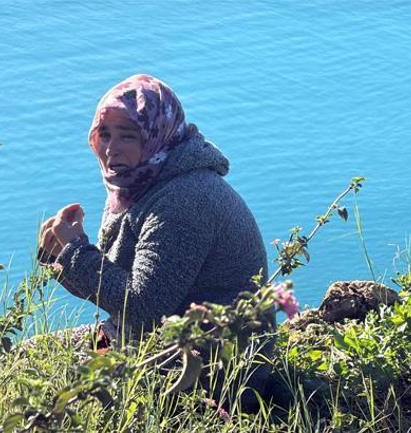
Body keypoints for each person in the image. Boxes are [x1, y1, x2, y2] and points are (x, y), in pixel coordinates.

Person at [38, 73, 268, 349]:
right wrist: (58, 255)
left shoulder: (184, 201)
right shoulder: (138, 182)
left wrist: (76, 251)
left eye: (127, 136)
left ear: (156, 136)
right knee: (26, 355)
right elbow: (113, 290)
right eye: (105, 134)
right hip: (155, 341)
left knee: (35, 368)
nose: (111, 149)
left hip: (207, 364)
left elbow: (143, 307)